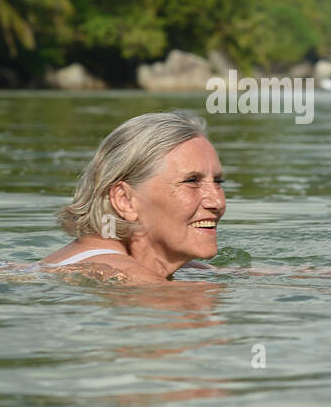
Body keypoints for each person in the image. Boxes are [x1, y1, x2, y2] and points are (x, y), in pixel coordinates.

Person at [40, 110, 223, 284]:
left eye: (218, 182)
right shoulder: (123, 274)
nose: (217, 201)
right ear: (125, 200)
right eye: (191, 181)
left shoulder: (85, 260)